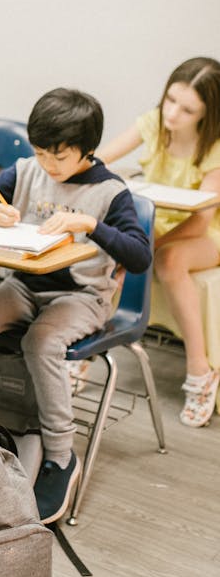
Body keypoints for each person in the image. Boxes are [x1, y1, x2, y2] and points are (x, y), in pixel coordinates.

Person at [0, 88, 151, 524]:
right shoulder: (26, 171)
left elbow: (139, 255)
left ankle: (61, 456)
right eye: (41, 153)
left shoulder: (111, 192)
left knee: (42, 341)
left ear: (88, 150)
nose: (48, 165)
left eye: (59, 157)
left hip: (83, 297)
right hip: (25, 287)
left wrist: (92, 225)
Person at [99, 56, 220, 427]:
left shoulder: (215, 146)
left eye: (187, 109)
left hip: (207, 232)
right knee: (109, 250)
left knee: (168, 260)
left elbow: (200, 222)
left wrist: (148, 244)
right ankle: (89, 355)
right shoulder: (154, 123)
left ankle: (200, 370)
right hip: (156, 224)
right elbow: (100, 158)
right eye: (170, 100)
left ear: (206, 113)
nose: (173, 113)